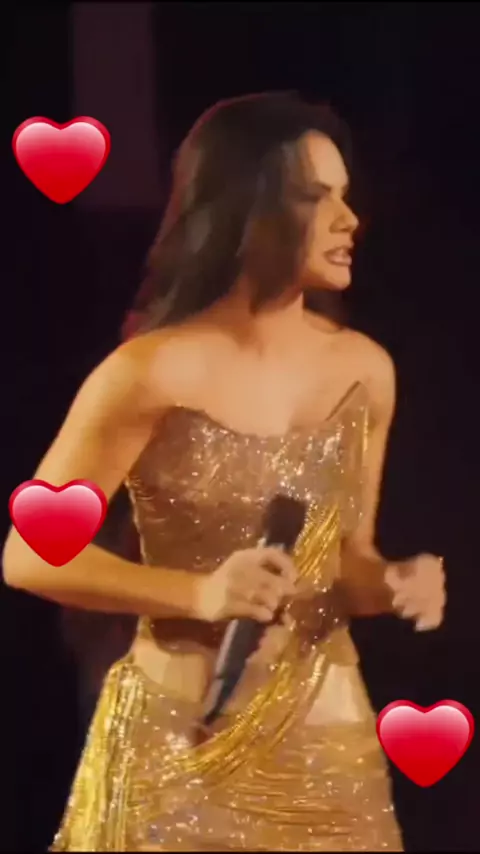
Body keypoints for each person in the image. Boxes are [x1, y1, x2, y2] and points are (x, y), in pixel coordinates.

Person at [4, 92, 445, 852]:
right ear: (250, 210)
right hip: (178, 747)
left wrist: (392, 582)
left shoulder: (365, 370)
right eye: (317, 197)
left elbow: (346, 563)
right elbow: (29, 556)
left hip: (327, 747)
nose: (349, 219)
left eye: (346, 195)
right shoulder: (148, 371)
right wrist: (200, 593)